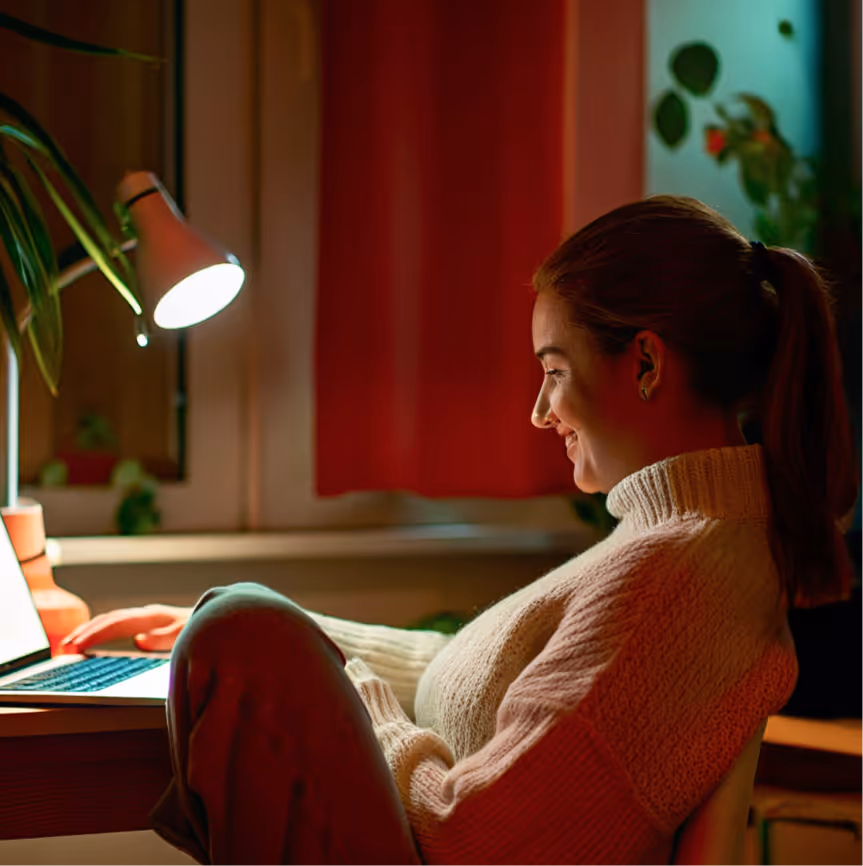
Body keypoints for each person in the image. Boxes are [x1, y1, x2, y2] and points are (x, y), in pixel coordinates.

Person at [62, 195, 857, 865]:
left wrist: (343, 686)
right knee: (239, 625)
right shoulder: (672, 546)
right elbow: (476, 679)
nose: (539, 412)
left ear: (646, 365)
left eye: (553, 372)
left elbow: (479, 841)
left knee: (240, 622)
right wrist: (303, 646)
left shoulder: (675, 581)